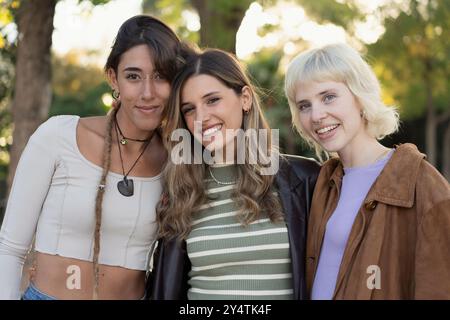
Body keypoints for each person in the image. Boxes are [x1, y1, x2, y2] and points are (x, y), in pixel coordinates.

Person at [0, 15, 187, 300]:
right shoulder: (58, 136)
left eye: (161, 76)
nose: (147, 93)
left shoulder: (177, 161)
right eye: (133, 76)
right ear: (113, 78)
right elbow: (10, 248)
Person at [147, 48, 320, 300]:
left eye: (212, 100)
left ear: (245, 98)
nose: (202, 117)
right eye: (189, 109)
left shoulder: (303, 180)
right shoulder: (182, 192)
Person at [284, 43, 450, 299]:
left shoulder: (422, 183)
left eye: (328, 96)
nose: (316, 115)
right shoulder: (322, 183)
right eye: (304, 105)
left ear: (360, 96)